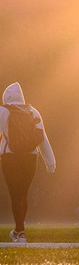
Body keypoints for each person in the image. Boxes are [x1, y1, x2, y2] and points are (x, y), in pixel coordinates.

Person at [0, 82, 56, 243]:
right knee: (23, 194)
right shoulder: (33, 112)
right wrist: (50, 163)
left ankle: (21, 231)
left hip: (10, 158)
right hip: (31, 158)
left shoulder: (3, 111)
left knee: (15, 194)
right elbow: (43, 139)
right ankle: (19, 230)